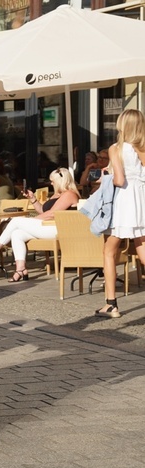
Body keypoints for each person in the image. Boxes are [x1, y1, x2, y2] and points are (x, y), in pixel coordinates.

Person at [96, 110, 145, 319]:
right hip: (143, 197)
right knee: (142, 245)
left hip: (126, 200)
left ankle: (111, 304)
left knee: (110, 250)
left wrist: (106, 176)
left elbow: (119, 180)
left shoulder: (116, 148)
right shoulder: (142, 147)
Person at [0, 167, 80, 282]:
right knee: (17, 234)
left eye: (53, 181)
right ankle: (20, 269)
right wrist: (32, 198)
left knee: (16, 221)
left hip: (59, 229)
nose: (51, 183)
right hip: (49, 227)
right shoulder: (58, 195)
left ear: (60, 181)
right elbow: (43, 211)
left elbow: (51, 214)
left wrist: (30, 220)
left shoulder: (69, 194)